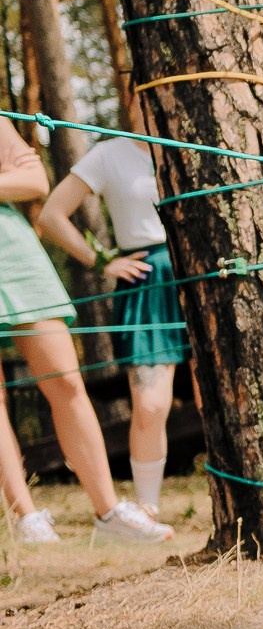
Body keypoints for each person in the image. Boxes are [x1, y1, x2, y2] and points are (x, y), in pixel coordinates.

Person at [0, 118, 170, 544]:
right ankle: (26, 517)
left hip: (12, 252)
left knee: (65, 380)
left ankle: (109, 512)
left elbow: (35, 180)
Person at [36, 105, 185, 520]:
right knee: (151, 404)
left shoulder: (197, 139)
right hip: (148, 281)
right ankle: (147, 508)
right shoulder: (109, 153)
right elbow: (51, 215)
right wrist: (101, 261)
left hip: (204, 273)